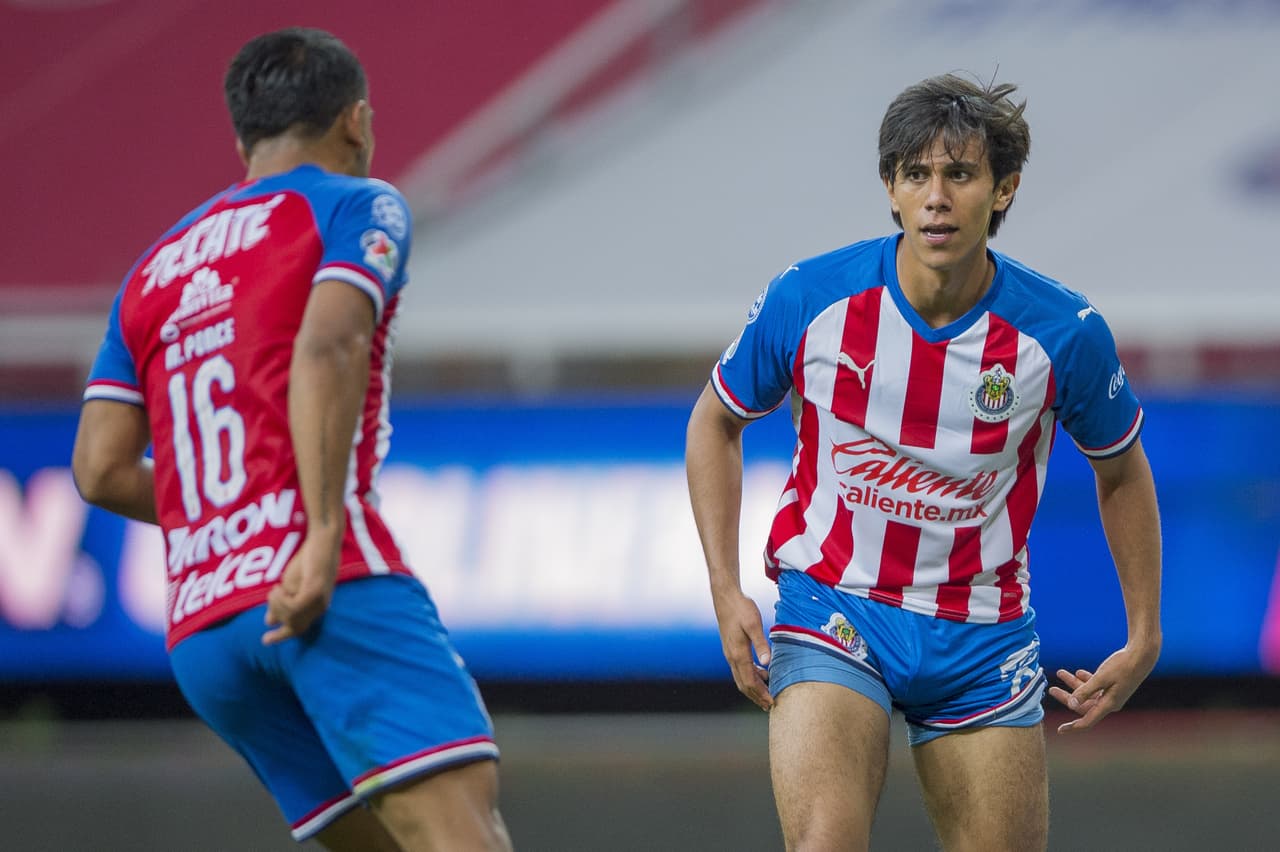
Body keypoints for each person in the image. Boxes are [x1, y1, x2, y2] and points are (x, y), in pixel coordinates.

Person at [686, 73, 1162, 851]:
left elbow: (1121, 470)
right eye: (916, 174)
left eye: (960, 174)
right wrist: (723, 585)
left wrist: (1145, 634)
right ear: (892, 190)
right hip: (837, 609)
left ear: (1003, 191)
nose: (936, 197)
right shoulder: (812, 298)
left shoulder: (1063, 334)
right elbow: (714, 423)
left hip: (982, 633)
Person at [71, 28, 511, 852]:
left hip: (204, 630)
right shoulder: (357, 203)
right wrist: (314, 531)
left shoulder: (152, 270)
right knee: (462, 834)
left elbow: (96, 469)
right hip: (323, 586)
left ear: (242, 139)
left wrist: (220, 520)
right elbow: (328, 344)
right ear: (357, 122)